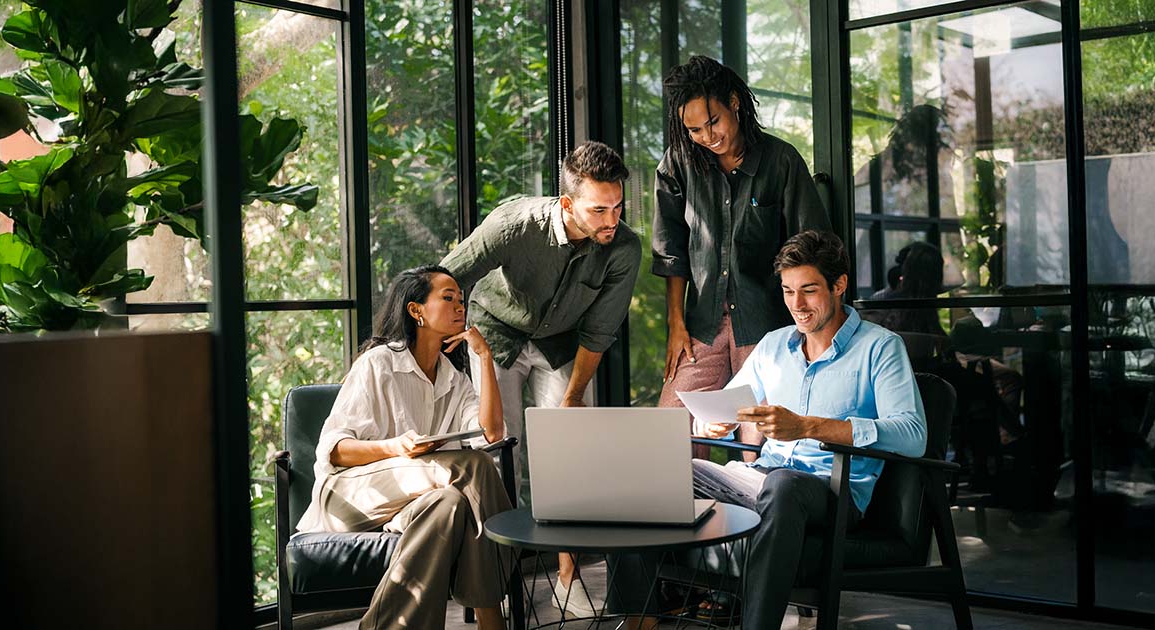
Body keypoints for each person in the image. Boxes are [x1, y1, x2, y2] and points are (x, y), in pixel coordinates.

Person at [612, 231, 926, 629]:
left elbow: (913, 435)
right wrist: (715, 422)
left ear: (839, 285)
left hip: (830, 491)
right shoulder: (774, 346)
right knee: (650, 474)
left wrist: (807, 427)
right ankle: (639, 622)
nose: (797, 305)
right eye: (788, 291)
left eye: (809, 290)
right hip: (758, 481)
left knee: (783, 485)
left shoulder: (880, 348)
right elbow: (727, 406)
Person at [441, 140, 642, 617]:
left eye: (617, 207)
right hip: (496, 334)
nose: (612, 220)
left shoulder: (623, 248)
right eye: (599, 210)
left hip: (561, 341)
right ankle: (495, 585)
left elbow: (600, 330)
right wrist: (450, 337)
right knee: (498, 453)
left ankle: (568, 579)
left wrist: (573, 397)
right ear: (568, 204)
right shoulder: (514, 224)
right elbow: (447, 276)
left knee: (569, 451)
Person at [296, 265, 512, 630]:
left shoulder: (454, 379)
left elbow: (491, 434)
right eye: (448, 298)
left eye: (461, 300)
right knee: (474, 465)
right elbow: (335, 450)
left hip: (414, 501)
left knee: (450, 502)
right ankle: (495, 617)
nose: (460, 306)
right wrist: (395, 448)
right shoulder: (378, 363)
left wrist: (485, 357)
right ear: (416, 311)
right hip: (350, 496)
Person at [652, 55, 831, 458]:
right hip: (702, 326)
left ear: (734, 103)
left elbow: (814, 248)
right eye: (694, 129)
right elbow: (670, 251)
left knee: (759, 448)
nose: (706, 136)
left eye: (712, 122)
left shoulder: (781, 161)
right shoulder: (678, 164)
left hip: (767, 327)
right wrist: (676, 323)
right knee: (670, 434)